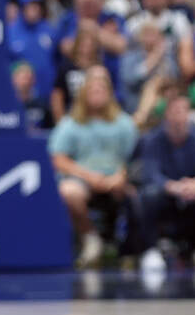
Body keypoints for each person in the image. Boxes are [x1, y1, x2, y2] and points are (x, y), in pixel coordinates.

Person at [48, 67, 138, 267]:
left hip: (117, 177)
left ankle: (130, 247)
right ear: (83, 94)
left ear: (110, 94)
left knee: (139, 192)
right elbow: (58, 159)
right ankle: (89, 237)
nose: (97, 95)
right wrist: (89, 176)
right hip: (83, 177)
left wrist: (120, 176)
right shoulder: (71, 123)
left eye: (101, 91)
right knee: (68, 191)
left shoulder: (124, 123)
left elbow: (134, 157)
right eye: (92, 91)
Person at [136, 94, 195, 273]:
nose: (179, 116)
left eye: (183, 111)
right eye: (175, 111)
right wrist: (173, 187)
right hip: (167, 192)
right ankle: (150, 251)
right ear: (166, 114)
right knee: (149, 194)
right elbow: (151, 173)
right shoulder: (152, 139)